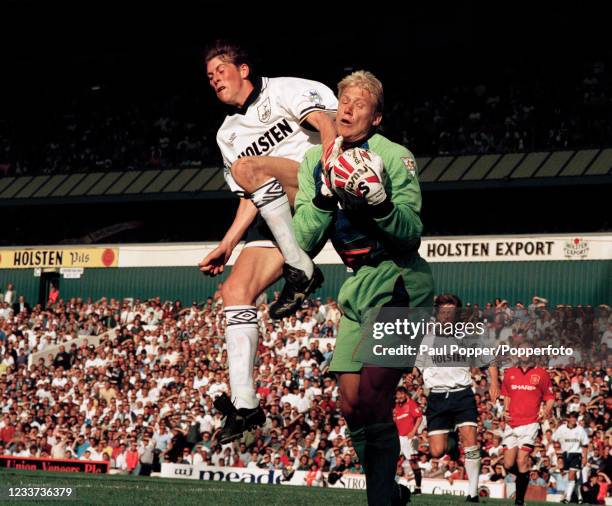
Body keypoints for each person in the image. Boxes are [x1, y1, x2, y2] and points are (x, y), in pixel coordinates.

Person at [292, 70, 434, 506]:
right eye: (343, 100)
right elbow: (302, 241)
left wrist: (381, 203)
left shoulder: (394, 156)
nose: (348, 107)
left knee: (374, 395)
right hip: (357, 286)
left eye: (360, 103)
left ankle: (379, 500)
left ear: (376, 118)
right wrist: (319, 199)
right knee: (351, 403)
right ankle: (388, 490)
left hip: (399, 280)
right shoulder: (315, 161)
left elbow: (410, 233)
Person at [197, 40, 337, 444]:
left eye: (219, 71)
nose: (213, 80)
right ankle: (246, 406)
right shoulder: (228, 133)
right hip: (272, 206)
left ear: (243, 69)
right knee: (235, 292)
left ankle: (301, 267)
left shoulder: (285, 90)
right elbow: (248, 192)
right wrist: (227, 244)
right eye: (208, 77)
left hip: (315, 184)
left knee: (249, 167)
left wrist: (333, 171)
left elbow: (327, 124)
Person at [415, 293, 500, 503]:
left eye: (450, 313)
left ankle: (472, 493)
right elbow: (416, 366)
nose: (446, 316)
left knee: (471, 441)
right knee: (436, 452)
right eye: (442, 312)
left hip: (462, 393)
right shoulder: (426, 338)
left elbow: (490, 360)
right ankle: (451, 441)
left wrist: (494, 384)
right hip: (437, 396)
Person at [501, 345, 554, 506]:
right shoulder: (510, 372)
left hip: (530, 424)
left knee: (522, 459)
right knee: (509, 464)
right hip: (512, 424)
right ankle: (523, 476)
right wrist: (505, 410)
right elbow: (507, 395)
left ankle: (519, 501)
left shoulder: (542, 374)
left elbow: (550, 397)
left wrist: (546, 410)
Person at [553, 412, 589, 504]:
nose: (574, 420)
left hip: (576, 454)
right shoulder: (562, 428)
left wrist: (585, 457)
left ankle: (567, 498)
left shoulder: (580, 430)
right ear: (568, 419)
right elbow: (555, 440)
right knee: (571, 478)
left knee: (572, 475)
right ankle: (580, 496)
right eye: (572, 418)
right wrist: (559, 455)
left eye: (575, 418)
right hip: (565, 454)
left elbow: (585, 444)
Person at [393, 386, 423, 494]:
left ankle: (418, 488)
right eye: (397, 394)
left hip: (412, 438)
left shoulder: (411, 404)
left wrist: (414, 431)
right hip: (400, 438)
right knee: (393, 461)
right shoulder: (397, 406)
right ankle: (391, 484)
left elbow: (420, 417)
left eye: (401, 394)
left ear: (405, 394)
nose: (399, 396)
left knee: (413, 462)